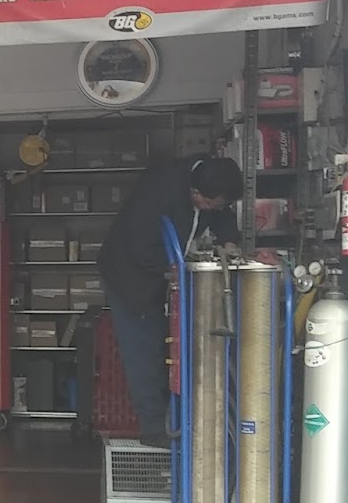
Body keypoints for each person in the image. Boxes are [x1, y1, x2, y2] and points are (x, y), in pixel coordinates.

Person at [98, 155, 245, 449]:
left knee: (167, 348)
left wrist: (229, 241)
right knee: (145, 350)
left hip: (162, 274)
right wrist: (174, 269)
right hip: (131, 276)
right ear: (195, 193)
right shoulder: (159, 191)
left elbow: (223, 214)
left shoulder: (208, 183)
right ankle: (153, 428)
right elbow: (140, 247)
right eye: (210, 204)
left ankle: (176, 419)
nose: (213, 209)